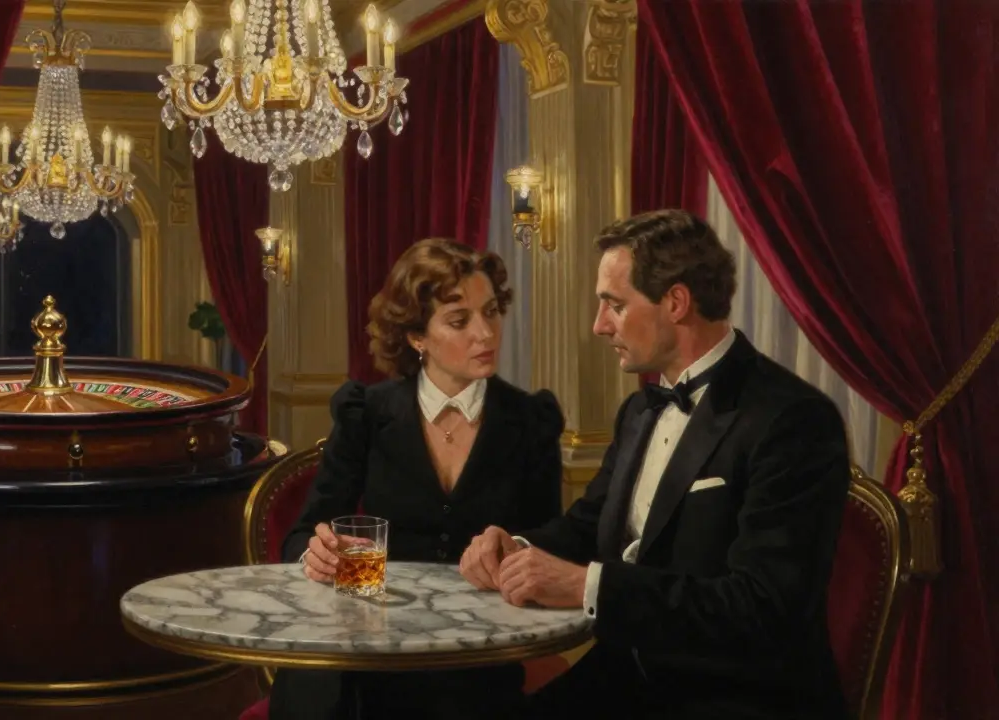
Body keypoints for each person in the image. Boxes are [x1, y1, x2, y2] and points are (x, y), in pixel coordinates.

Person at [459, 209, 851, 719]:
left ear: (676, 302)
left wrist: (585, 586)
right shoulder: (640, 410)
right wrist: (514, 548)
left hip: (738, 695)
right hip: (629, 678)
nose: (599, 326)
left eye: (614, 305)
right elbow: (587, 525)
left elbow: (760, 606)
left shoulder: (792, 419)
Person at [268, 238, 566, 720]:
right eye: (459, 320)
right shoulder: (366, 413)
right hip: (371, 643)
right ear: (416, 338)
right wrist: (316, 554)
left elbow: (552, 541)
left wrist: (515, 553)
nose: (485, 333)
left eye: (491, 312)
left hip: (476, 650)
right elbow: (304, 533)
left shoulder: (530, 420)